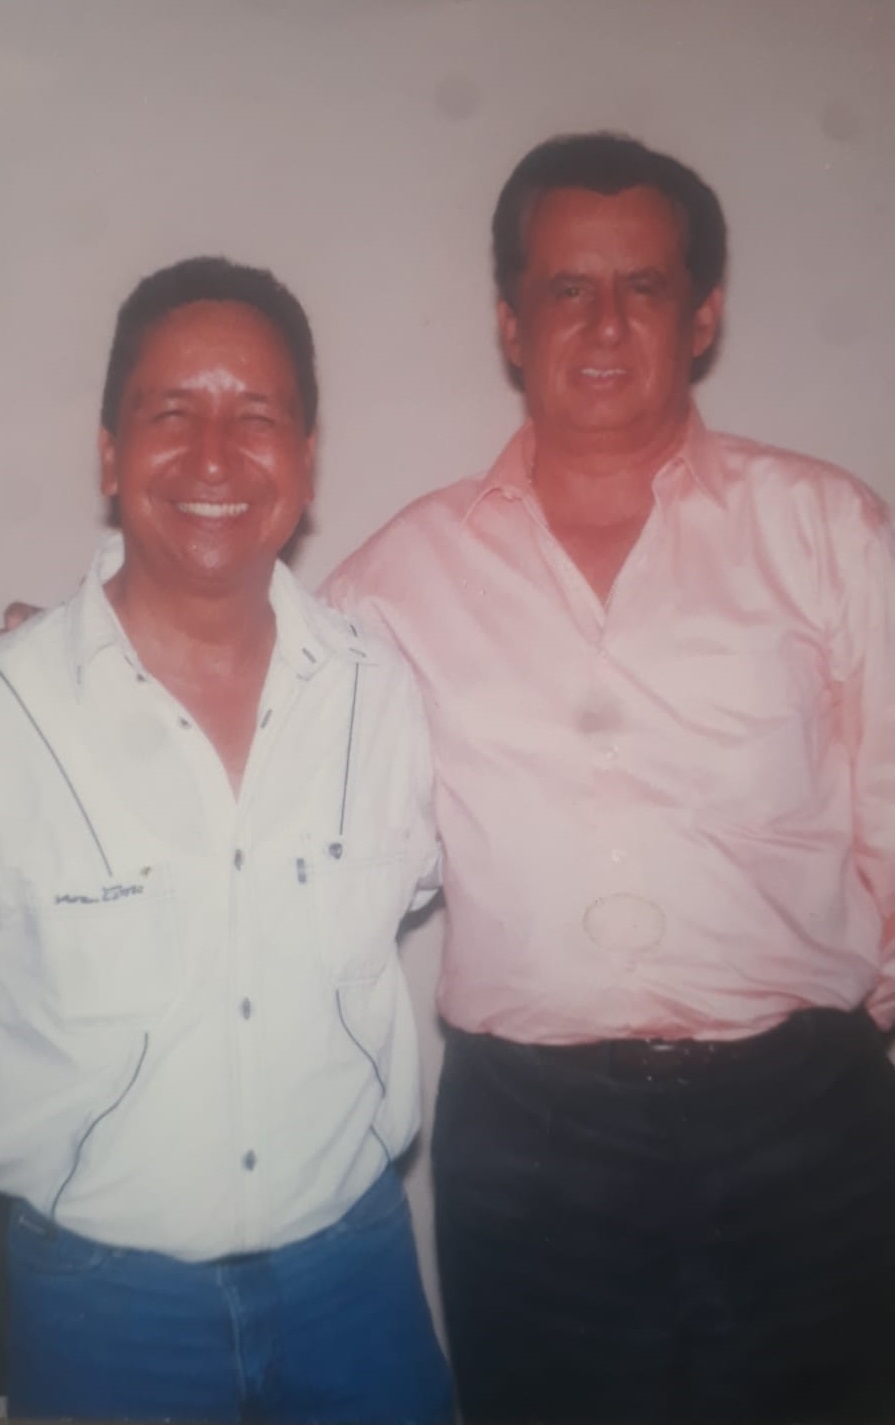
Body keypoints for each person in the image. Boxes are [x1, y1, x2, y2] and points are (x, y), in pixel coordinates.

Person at [322, 134, 895, 1424]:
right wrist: (65, 653)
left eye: (642, 286)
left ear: (703, 316)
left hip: (804, 1127)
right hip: (534, 1147)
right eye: (566, 287)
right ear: (509, 323)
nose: (603, 322)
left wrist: (822, 1055)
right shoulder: (396, 581)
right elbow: (256, 722)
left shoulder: (827, 530)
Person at [0, 257, 451, 1424]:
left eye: (255, 417)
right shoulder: (15, 712)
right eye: (171, 414)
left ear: (305, 458)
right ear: (110, 454)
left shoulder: (384, 696)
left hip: (355, 1282)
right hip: (95, 1308)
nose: (213, 458)